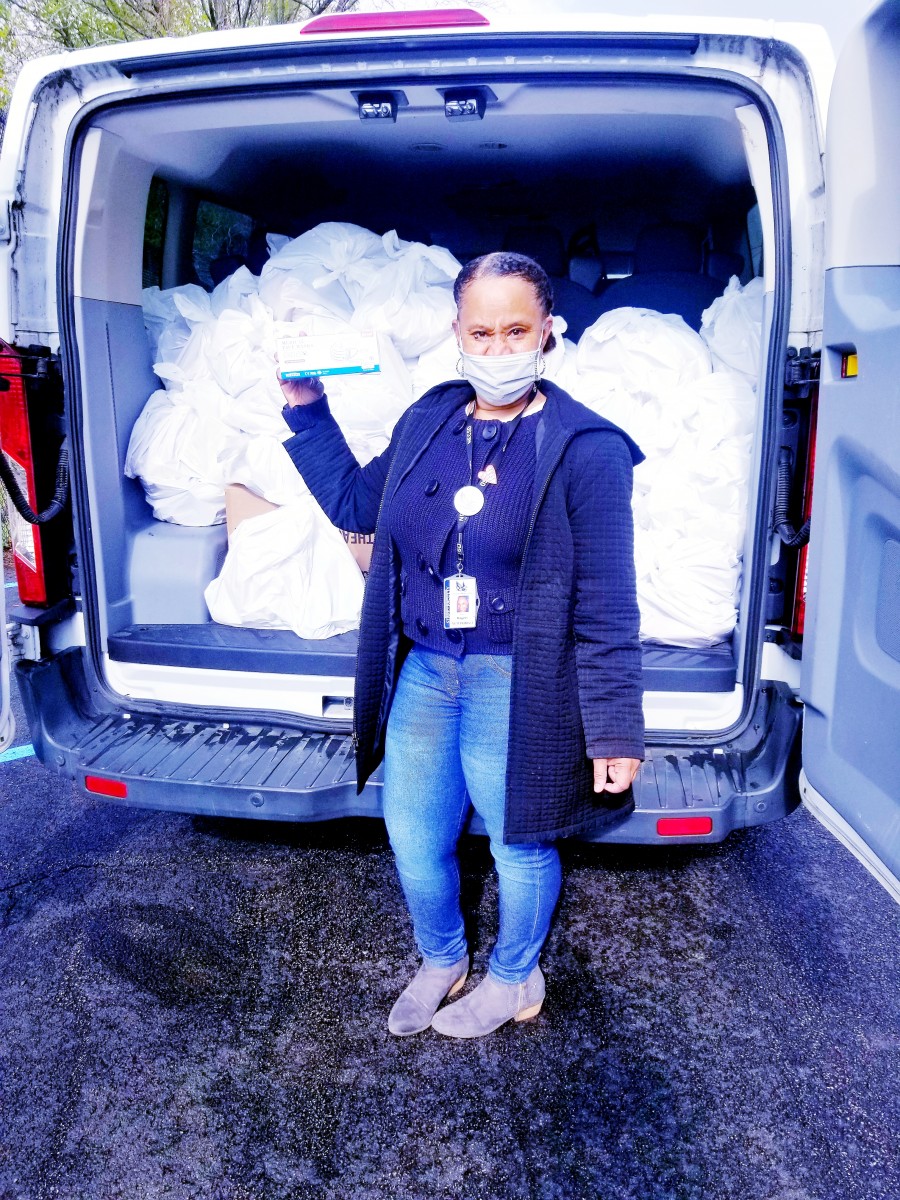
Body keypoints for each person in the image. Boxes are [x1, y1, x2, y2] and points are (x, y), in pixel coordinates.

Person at [279, 252, 645, 1040]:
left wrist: (615, 728)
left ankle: (515, 976)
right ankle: (442, 958)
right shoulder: (430, 419)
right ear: (456, 332)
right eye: (482, 330)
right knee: (412, 833)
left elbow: (610, 598)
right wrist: (307, 411)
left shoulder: (586, 447)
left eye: (517, 330)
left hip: (517, 677)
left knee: (519, 841)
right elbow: (355, 503)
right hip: (428, 667)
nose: (499, 347)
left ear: (548, 330)